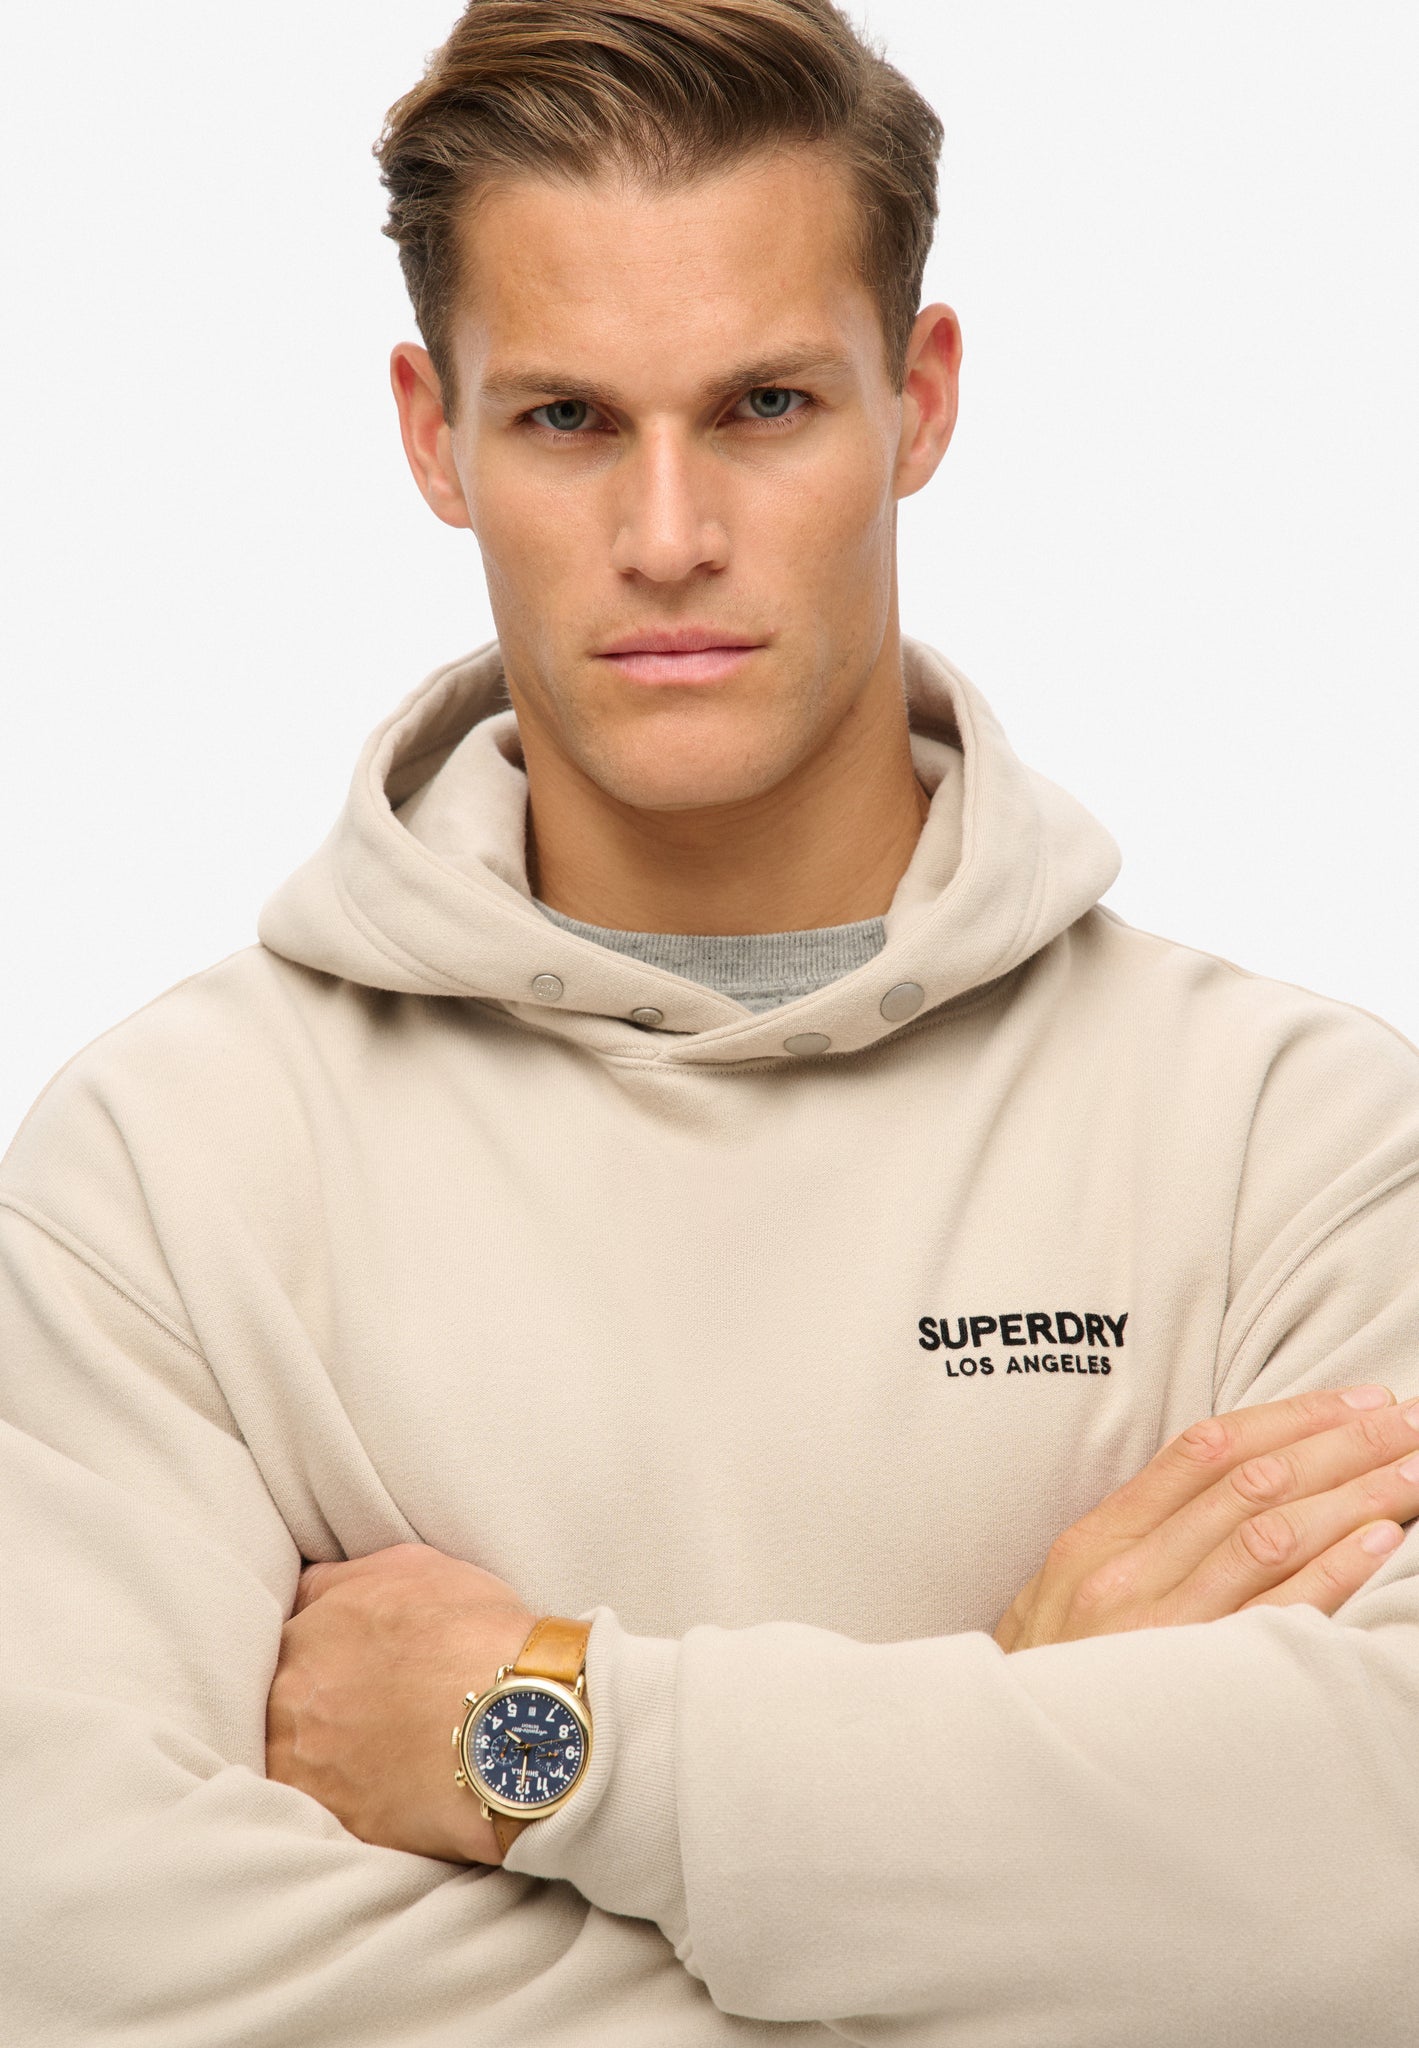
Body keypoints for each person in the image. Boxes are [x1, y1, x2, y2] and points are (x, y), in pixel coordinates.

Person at [3, 2, 1417, 2042]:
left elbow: (1380, 1887)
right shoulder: (169, 1172)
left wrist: (548, 1732)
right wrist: (1032, 1797)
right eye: (568, 420)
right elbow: (80, 1958)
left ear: (917, 400)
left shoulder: (1289, 1139)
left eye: (763, 405)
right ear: (433, 434)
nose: (667, 535)